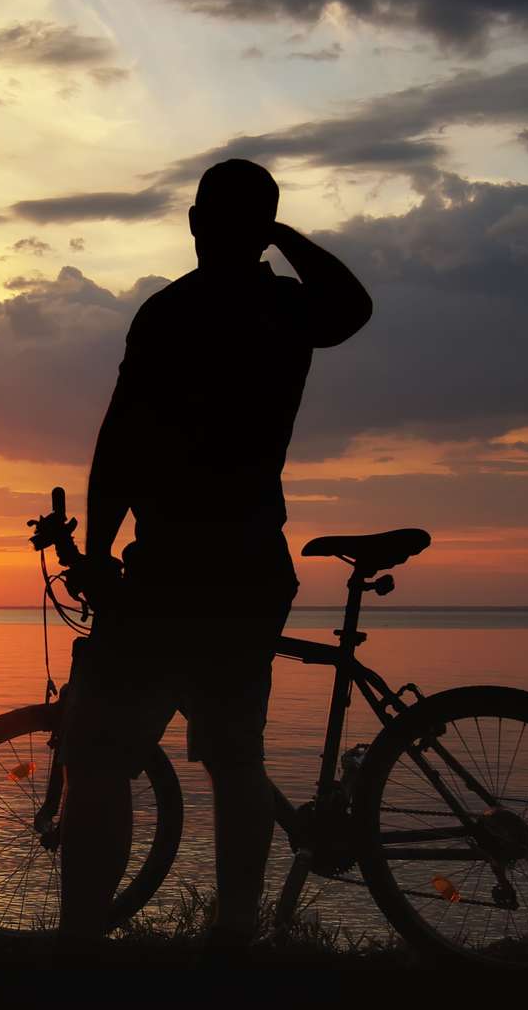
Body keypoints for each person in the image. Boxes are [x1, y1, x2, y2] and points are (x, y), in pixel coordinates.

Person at [57, 158, 373, 952]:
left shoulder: (172, 311)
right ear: (261, 228)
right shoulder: (286, 309)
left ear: (195, 223)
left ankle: (84, 941)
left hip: (170, 566)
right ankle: (236, 936)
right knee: (235, 758)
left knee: (99, 752)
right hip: (250, 565)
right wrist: (282, 234)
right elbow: (354, 305)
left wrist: (97, 550)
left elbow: (119, 441)